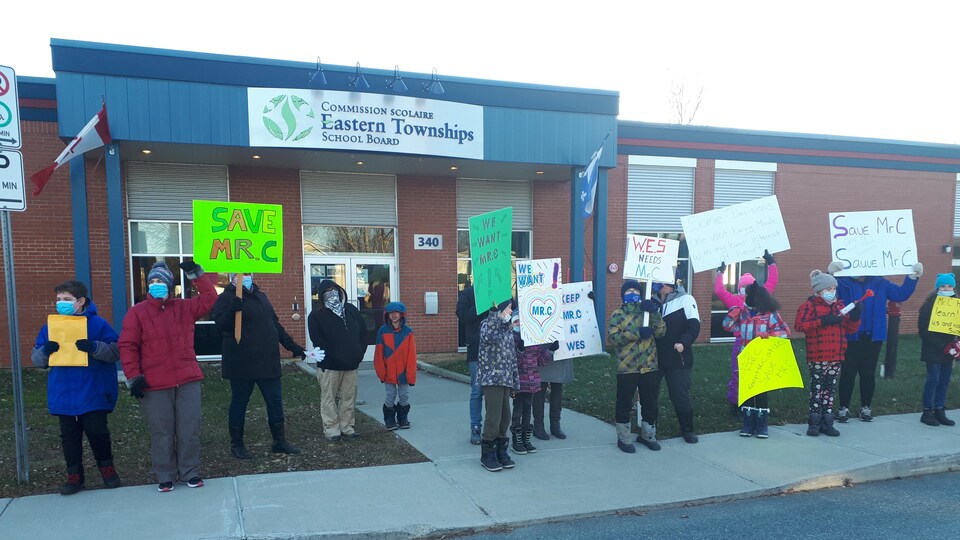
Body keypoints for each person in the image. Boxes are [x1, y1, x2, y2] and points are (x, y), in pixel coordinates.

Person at [119, 260, 216, 492]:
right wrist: (134, 377)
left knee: (188, 429)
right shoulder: (137, 313)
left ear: (169, 285)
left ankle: (190, 472)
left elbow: (210, 299)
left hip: (187, 379)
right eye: (152, 281)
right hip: (154, 383)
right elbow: (127, 345)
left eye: (160, 281)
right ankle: (165, 474)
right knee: (162, 431)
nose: (155, 285)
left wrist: (197, 275)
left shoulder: (184, 308)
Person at [31, 280, 122, 495]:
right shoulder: (49, 328)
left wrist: (94, 347)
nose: (61, 303)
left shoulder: (98, 324)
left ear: (80, 301)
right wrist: (46, 351)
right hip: (64, 392)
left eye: (67, 300)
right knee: (69, 436)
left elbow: (116, 351)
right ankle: (74, 475)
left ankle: (107, 469)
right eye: (59, 300)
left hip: (93, 390)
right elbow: (36, 359)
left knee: (97, 432)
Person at [210, 273, 306, 459]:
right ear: (232, 277)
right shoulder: (226, 298)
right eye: (241, 274)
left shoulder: (261, 296)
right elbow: (220, 326)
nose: (245, 277)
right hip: (241, 362)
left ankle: (279, 441)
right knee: (239, 402)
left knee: (275, 401)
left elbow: (274, 325)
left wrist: (292, 346)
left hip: (267, 361)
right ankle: (237, 444)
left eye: (248, 273)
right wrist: (232, 309)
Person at [828, 261, 921, 423]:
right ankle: (843, 408)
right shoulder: (842, 283)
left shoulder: (880, 283)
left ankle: (866, 407)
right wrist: (830, 275)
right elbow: (828, 297)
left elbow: (900, 294)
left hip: (873, 336)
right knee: (848, 372)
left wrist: (912, 277)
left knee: (868, 372)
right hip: (851, 335)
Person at [795, 270, 861, 437]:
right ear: (818, 291)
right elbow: (800, 326)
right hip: (818, 355)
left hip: (836, 355)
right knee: (817, 389)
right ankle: (814, 422)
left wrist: (855, 316)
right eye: (829, 289)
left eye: (834, 289)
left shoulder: (839, 307)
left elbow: (850, 329)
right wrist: (822, 321)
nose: (832, 292)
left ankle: (827, 422)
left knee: (829, 390)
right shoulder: (809, 306)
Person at [721, 282, 790, 439]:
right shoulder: (743, 313)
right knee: (747, 391)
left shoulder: (770, 315)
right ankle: (748, 423)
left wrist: (770, 335)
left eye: (747, 295)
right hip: (745, 357)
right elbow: (726, 326)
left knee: (760, 392)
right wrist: (733, 313)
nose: (745, 298)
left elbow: (785, 332)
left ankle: (761, 424)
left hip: (762, 357)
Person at [715, 250, 779, 415]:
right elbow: (720, 291)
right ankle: (736, 403)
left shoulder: (762, 298)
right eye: (743, 287)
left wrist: (771, 262)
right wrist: (720, 273)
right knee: (738, 374)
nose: (745, 290)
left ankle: (757, 405)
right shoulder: (734, 301)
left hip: (760, 342)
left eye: (748, 287)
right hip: (741, 343)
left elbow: (772, 280)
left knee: (759, 375)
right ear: (739, 289)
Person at [608, 280, 665, 453]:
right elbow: (613, 338)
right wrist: (636, 333)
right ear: (623, 294)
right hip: (628, 367)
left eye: (635, 290)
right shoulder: (618, 314)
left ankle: (648, 435)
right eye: (629, 290)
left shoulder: (647, 311)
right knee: (624, 402)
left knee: (650, 401)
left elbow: (661, 332)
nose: (632, 293)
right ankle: (624, 437)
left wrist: (654, 313)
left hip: (649, 365)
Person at [308, 279, 367, 441]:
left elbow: (363, 333)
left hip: (351, 364)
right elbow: (318, 341)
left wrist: (359, 353)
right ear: (321, 296)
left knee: (349, 398)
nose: (332, 294)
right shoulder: (316, 316)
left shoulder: (351, 310)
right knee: (329, 398)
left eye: (335, 289)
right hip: (330, 366)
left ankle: (347, 427)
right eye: (328, 291)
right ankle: (332, 429)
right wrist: (335, 356)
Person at [651, 278, 702, 443]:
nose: (658, 287)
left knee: (680, 395)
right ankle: (650, 430)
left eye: (661, 284)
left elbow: (694, 326)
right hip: (653, 358)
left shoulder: (686, 299)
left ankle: (688, 429)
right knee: (649, 395)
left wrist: (684, 342)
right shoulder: (650, 301)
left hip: (678, 358)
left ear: (671, 286)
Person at [478, 299, 519, 472]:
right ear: (500, 309)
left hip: (506, 379)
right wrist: (495, 315)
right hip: (492, 379)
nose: (511, 312)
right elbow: (489, 337)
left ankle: (501, 449)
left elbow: (512, 358)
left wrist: (515, 382)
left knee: (505, 417)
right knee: (493, 417)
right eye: (509, 308)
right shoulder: (488, 325)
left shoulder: (508, 330)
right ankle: (488, 453)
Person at [509, 314, 556, 455]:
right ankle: (516, 440)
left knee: (527, 410)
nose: (518, 323)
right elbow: (512, 363)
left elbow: (540, 360)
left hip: (532, 382)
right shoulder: (511, 338)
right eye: (515, 321)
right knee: (517, 410)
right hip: (518, 382)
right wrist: (520, 351)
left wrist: (550, 350)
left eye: (519, 321)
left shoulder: (533, 339)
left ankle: (526, 439)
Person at [916, 273, 957, 427]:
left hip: (949, 350)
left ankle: (940, 409)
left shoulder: (956, 305)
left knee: (944, 381)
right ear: (937, 288)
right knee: (934, 379)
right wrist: (942, 346)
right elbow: (923, 331)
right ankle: (927, 411)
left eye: (949, 286)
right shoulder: (929, 305)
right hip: (933, 349)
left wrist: (956, 345)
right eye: (943, 286)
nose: (946, 289)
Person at [373, 301, 417, 430]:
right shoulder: (382, 331)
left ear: (402, 314)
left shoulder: (408, 332)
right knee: (390, 395)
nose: (394, 315)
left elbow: (411, 356)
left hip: (403, 372)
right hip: (388, 372)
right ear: (387, 315)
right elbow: (378, 355)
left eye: (396, 313)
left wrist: (410, 376)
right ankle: (389, 418)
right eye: (391, 313)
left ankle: (403, 417)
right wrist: (382, 373)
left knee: (404, 395)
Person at [456, 284, 485, 444]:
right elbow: (462, 315)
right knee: (477, 391)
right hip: (476, 350)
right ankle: (476, 427)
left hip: (499, 353)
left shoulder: (500, 290)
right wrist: (483, 304)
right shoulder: (467, 293)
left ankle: (494, 428)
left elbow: (513, 311)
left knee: (497, 394)